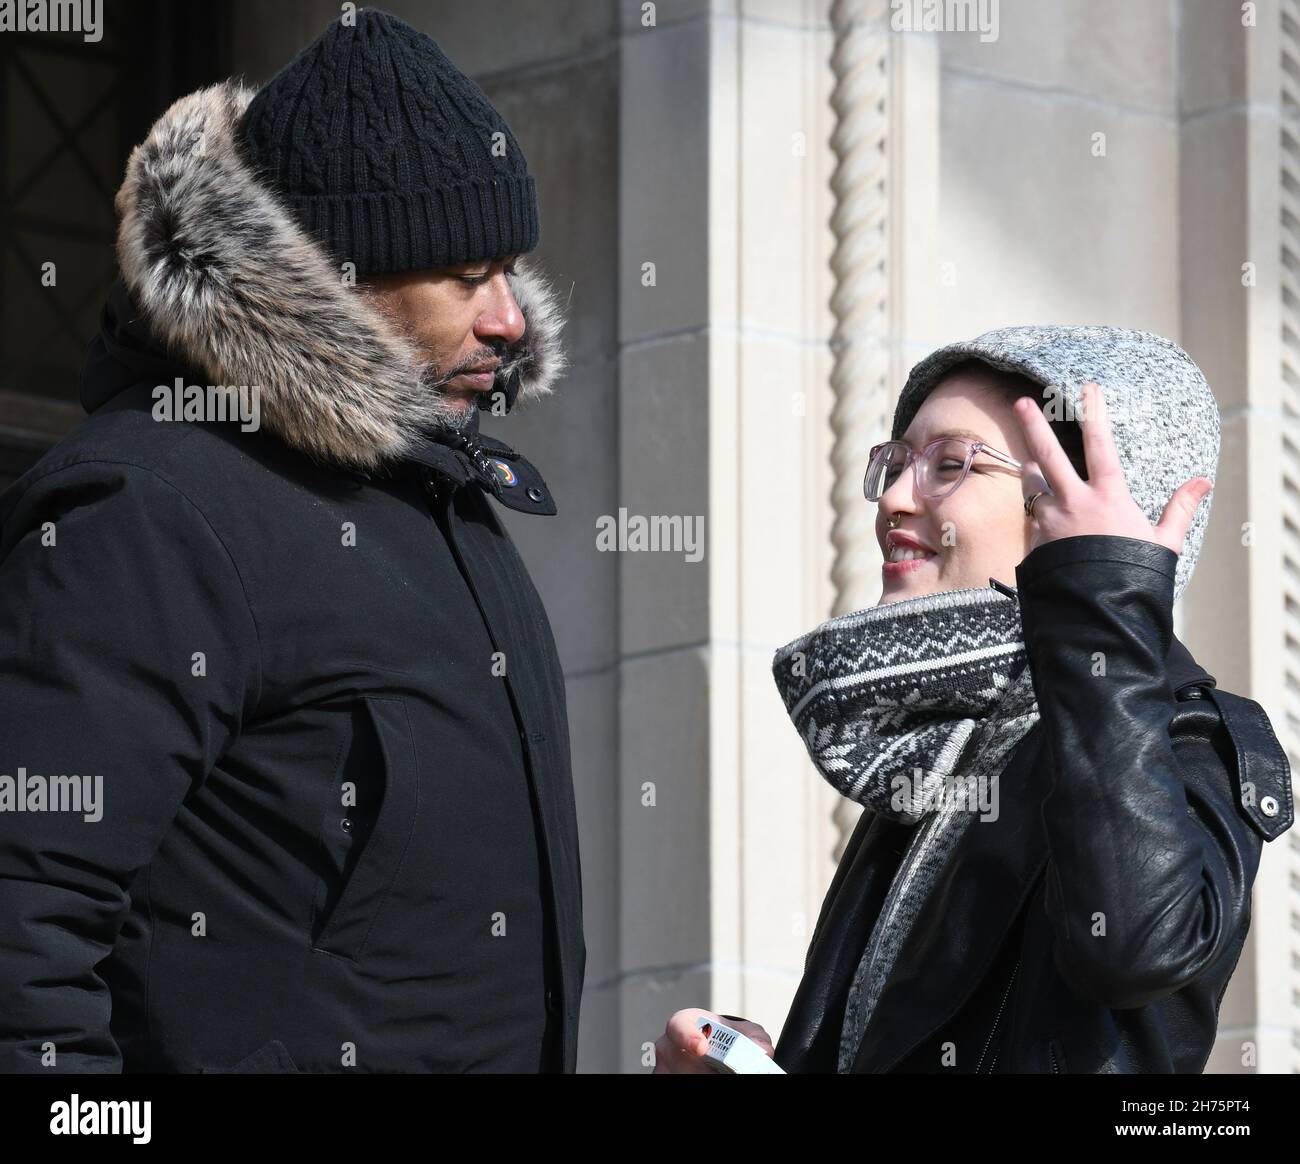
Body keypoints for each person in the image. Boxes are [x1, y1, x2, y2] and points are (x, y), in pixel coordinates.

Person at [0, 9, 585, 1073]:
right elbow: (22, 934)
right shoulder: (148, 509)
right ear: (340, 276)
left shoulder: (443, 503)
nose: (509, 318)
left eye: (511, 269)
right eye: (466, 276)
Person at [656, 325, 1293, 1073]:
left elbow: (1133, 946)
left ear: (1080, 508)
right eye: (896, 463)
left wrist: (1101, 595)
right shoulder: (944, 754)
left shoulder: (1184, 736)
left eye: (950, 465)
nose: (894, 499)